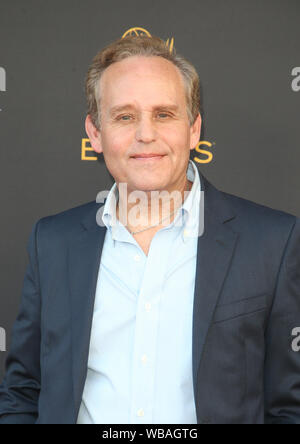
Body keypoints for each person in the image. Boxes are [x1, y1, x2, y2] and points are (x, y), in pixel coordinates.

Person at [0, 35, 299, 424]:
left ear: (193, 130)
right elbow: (23, 391)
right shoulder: (52, 243)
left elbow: (288, 406)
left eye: (164, 114)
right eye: (125, 116)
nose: (145, 134)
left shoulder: (271, 242)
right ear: (94, 133)